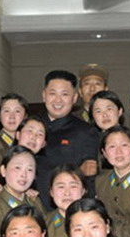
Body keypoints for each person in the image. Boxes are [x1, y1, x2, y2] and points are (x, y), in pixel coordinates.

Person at [35, 70, 99, 209]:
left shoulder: (86, 132)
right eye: (52, 93)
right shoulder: (30, 128)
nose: (58, 100)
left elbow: (90, 181)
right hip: (32, 208)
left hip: (68, 210)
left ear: (74, 97)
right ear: (44, 95)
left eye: (64, 94)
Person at [95, 126, 130, 223]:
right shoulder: (100, 181)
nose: (118, 152)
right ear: (104, 153)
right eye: (112, 146)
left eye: (124, 145)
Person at [0, 116, 47, 184]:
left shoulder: (44, 170)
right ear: (18, 135)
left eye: (40, 134)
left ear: (43, 143)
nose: (33, 137)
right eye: (29, 131)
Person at [45, 165, 87, 237]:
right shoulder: (43, 224)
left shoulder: (95, 221)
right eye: (61, 187)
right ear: (51, 192)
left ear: (83, 191)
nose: (67, 193)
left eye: (73, 186)